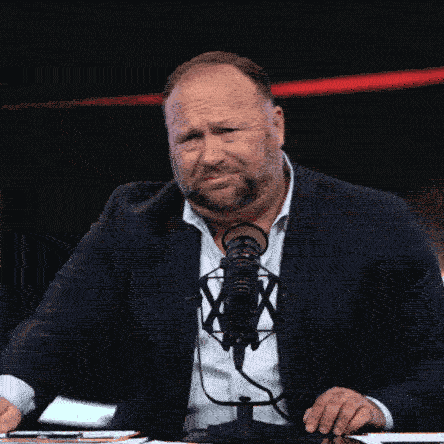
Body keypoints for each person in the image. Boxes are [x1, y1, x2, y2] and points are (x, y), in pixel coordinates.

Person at [1, 51, 444, 440]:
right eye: (190, 138)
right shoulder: (133, 220)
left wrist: (376, 407)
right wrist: (9, 395)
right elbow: (55, 333)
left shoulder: (372, 221)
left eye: (228, 131)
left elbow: (435, 363)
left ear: (276, 126)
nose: (211, 156)